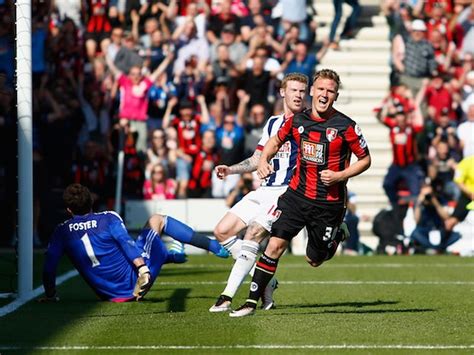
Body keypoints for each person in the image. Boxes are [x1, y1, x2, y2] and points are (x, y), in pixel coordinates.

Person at [230, 69, 371, 317]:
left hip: (328, 204)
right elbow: (274, 142)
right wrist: (264, 161)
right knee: (274, 246)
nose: (324, 95)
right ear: (313, 91)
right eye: (321, 89)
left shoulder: (346, 126)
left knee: (314, 260)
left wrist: (339, 175)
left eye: (330, 91)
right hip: (296, 196)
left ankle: (337, 234)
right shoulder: (297, 121)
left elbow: (365, 159)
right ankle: (251, 302)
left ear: (335, 95)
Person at [209, 73, 309, 313]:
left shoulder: (309, 123)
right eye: (293, 90)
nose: (298, 95)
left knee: (252, 234)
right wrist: (231, 169)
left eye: (302, 91)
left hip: (286, 192)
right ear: (283, 92)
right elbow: (258, 158)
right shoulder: (273, 122)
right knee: (222, 231)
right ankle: (266, 280)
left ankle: (226, 296)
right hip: (264, 189)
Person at [39, 183, 228, 303]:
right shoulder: (108, 218)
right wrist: (142, 269)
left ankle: (169, 255)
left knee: (135, 247)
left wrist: (50, 295)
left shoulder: (61, 231)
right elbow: (125, 242)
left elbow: (49, 267)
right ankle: (214, 246)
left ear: (69, 210)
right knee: (157, 220)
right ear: (91, 202)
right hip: (134, 280)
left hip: (108, 294)